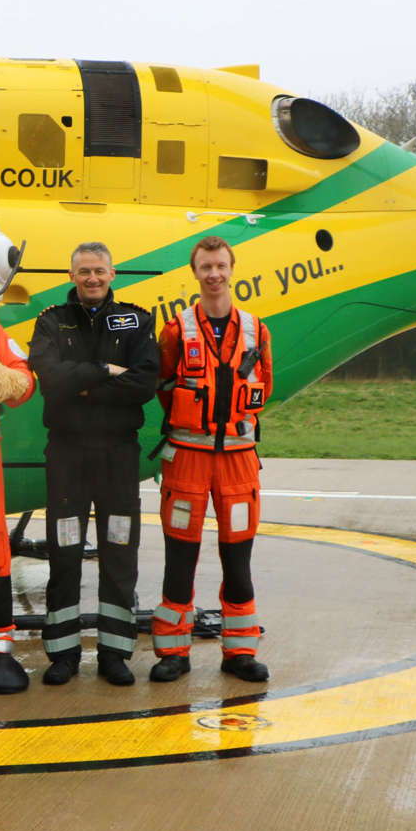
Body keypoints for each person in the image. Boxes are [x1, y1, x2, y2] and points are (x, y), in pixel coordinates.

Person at [27, 242, 159, 686]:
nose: (92, 278)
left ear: (112, 273)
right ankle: (62, 655)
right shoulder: (51, 321)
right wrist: (106, 369)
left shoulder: (136, 321)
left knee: (119, 552)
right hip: (67, 455)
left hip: (118, 456)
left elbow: (143, 384)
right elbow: (50, 379)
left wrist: (80, 383)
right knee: (64, 553)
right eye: (84, 271)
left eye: (99, 270)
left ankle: (115, 654)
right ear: (72, 276)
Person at [151, 235, 274, 683]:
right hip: (187, 458)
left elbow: (266, 386)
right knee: (179, 557)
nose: (214, 274)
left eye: (221, 265)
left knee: (238, 559)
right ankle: (173, 652)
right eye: (206, 267)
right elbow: (164, 387)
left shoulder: (257, 330)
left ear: (231, 268)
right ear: (195, 272)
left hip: (238, 461)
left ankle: (239, 652)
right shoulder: (174, 330)